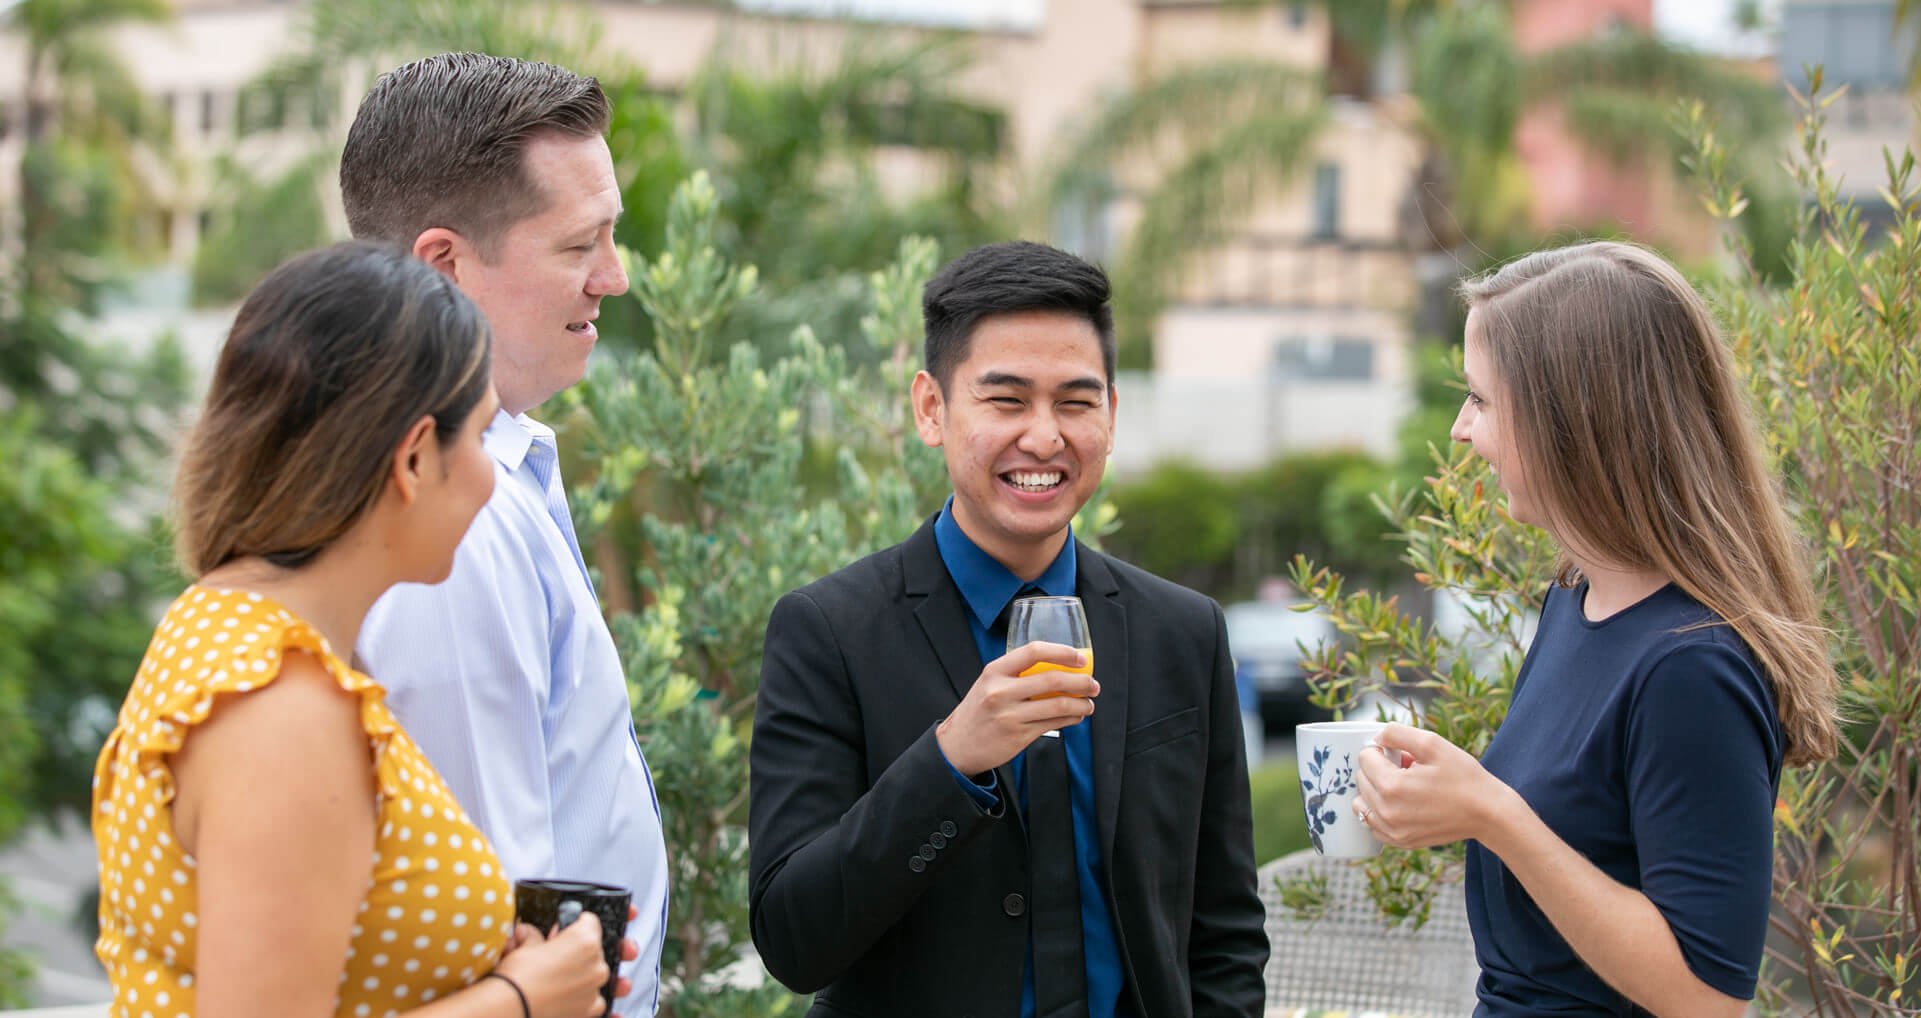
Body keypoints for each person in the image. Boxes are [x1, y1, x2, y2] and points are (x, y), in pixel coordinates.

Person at [92, 242, 627, 1017]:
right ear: (413, 460)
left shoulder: (222, 628)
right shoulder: (283, 710)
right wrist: (519, 999)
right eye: (480, 438)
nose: (490, 476)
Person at [748, 241, 1269, 1017]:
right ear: (931, 409)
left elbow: (1224, 931)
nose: (1044, 437)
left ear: (1111, 414)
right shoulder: (828, 631)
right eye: (1006, 400)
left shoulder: (1182, 631)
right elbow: (793, 940)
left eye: (1075, 402)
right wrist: (951, 760)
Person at [1352, 241, 1839, 1017]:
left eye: (1480, 399)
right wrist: (1451, 800)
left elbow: (1706, 1001)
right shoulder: (1574, 602)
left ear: (1570, 421)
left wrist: (1491, 814)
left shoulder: (1691, 666)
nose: (1460, 430)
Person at [343, 53, 668, 1018]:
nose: (613, 278)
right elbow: (487, 911)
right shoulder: (449, 524)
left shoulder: (491, 466)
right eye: (579, 245)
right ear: (443, 265)